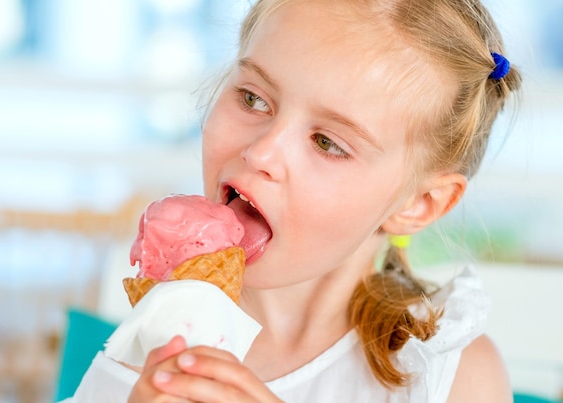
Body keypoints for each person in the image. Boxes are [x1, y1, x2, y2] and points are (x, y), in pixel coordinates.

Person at [78, 0, 522, 401]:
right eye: (253, 98)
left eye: (327, 143)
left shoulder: (449, 377)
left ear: (419, 204)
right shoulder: (145, 348)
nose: (261, 152)